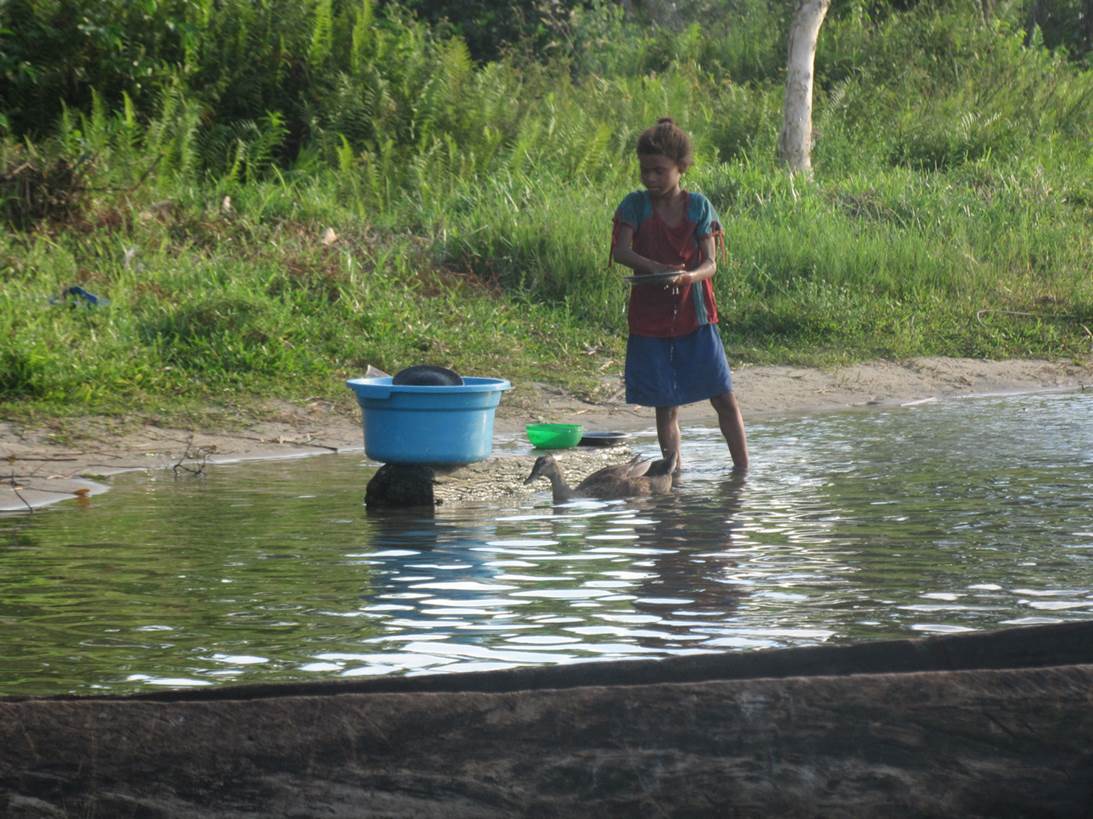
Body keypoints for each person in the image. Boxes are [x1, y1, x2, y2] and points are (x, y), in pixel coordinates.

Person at [610, 117, 749, 472]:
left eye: (659, 171)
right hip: (650, 316)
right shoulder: (634, 206)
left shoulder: (698, 206)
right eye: (645, 171)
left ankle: (742, 472)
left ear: (681, 168)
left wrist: (688, 277)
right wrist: (655, 268)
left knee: (723, 397)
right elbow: (622, 252)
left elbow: (710, 264)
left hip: (695, 313)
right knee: (665, 403)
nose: (650, 178)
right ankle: (674, 474)